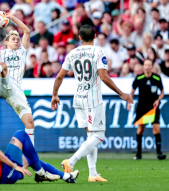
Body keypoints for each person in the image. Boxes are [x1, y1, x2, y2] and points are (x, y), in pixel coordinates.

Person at [51, 25, 133, 182]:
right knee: (99, 136)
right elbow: (104, 77)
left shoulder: (72, 53)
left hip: (79, 98)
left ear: (80, 37)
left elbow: (59, 77)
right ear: (95, 36)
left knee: (91, 135)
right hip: (93, 99)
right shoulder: (98, 51)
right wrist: (121, 93)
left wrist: (54, 94)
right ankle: (71, 161)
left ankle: (93, 174)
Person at [0, 105, 79, 184]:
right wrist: (15, 166)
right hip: (1, 176)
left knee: (31, 158)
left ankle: (66, 176)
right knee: (21, 134)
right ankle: (40, 173)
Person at [0, 9, 35, 144]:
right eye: (13, 39)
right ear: (6, 42)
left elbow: (26, 31)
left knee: (30, 122)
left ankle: (31, 155)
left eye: (18, 39)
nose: (17, 41)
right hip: (2, 84)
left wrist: (12, 17)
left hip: (15, 90)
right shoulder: (0, 53)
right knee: (3, 65)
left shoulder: (22, 51)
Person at [127, 59, 166, 160]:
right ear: (143, 66)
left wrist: (158, 99)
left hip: (153, 107)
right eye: (146, 65)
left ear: (152, 66)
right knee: (140, 130)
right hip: (142, 107)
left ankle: (159, 153)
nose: (148, 67)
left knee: (156, 129)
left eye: (149, 65)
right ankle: (138, 153)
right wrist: (129, 102)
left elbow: (162, 92)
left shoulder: (157, 78)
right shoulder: (139, 78)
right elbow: (132, 92)